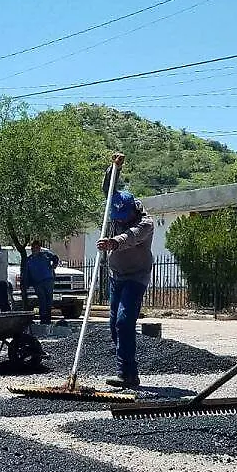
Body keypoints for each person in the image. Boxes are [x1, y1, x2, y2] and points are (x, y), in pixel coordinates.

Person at [97, 153, 154, 389]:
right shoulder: (119, 209)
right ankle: (124, 367)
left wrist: (113, 242)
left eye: (123, 218)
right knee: (114, 325)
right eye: (117, 219)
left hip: (135, 278)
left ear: (133, 210)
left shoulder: (146, 223)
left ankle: (128, 374)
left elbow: (131, 237)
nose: (120, 222)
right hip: (116, 277)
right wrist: (115, 168)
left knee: (124, 322)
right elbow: (107, 189)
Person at [23, 239, 59, 324]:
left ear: (39, 248)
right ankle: (43, 319)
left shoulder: (45, 255)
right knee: (42, 301)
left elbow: (55, 258)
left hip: (48, 281)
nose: (35, 249)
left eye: (37, 247)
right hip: (37, 283)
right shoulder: (29, 260)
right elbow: (27, 273)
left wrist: (54, 266)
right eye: (33, 248)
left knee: (49, 300)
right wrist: (27, 283)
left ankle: (48, 319)